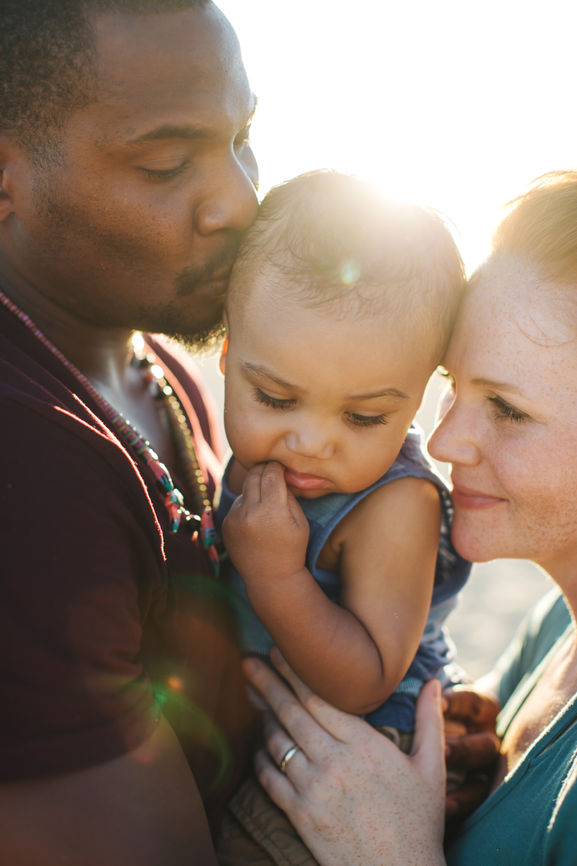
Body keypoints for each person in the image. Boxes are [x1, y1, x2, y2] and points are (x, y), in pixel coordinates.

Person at [240, 170, 577, 865]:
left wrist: (393, 852)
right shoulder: (555, 624)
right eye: (452, 387)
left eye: (507, 410)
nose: (444, 441)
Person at [0, 1, 260, 863]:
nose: (239, 200)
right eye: (167, 161)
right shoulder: (26, 458)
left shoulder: (150, 353)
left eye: (242, 137)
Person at [215, 170, 470, 862]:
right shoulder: (248, 456)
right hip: (272, 725)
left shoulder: (394, 505)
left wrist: (275, 574)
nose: (311, 441)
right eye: (273, 397)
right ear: (231, 361)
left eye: (364, 416)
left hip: (361, 754)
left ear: (416, 400)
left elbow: (367, 677)